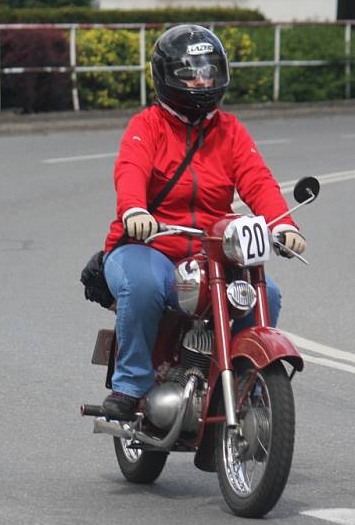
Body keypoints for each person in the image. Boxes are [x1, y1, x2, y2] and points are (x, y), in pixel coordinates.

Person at [100, 24, 307, 421]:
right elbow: (130, 169)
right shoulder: (148, 126)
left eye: (209, 71)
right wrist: (135, 211)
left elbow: (257, 179)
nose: (201, 80)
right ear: (166, 77)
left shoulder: (229, 130)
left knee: (269, 295)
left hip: (212, 254)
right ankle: (130, 384)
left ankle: (241, 379)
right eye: (190, 72)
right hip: (149, 246)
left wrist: (284, 226)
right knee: (143, 287)